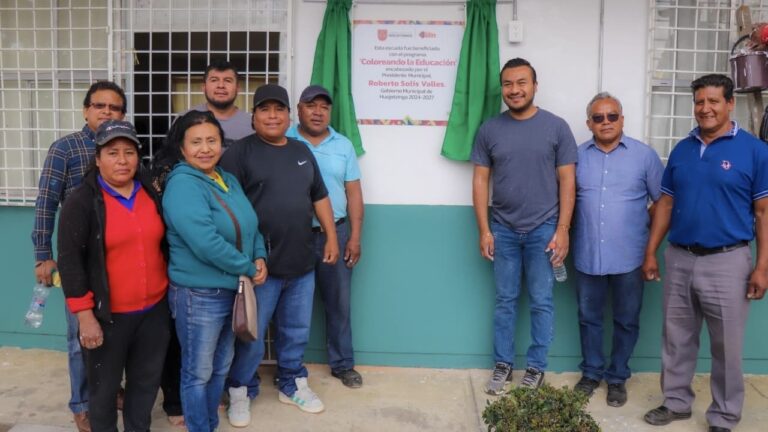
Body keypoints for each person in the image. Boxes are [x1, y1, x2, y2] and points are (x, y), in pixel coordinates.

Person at [642, 74, 768, 432]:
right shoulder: (682, 150)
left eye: (713, 101)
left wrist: (762, 266)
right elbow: (666, 204)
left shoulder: (755, 151)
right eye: (699, 101)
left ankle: (724, 415)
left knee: (726, 345)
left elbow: (763, 213)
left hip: (728, 260)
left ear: (730, 103)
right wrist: (651, 252)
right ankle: (676, 402)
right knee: (676, 337)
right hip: (680, 257)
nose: (705, 108)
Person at [221, 84, 339, 426]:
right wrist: (246, 257)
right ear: (254, 116)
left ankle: (291, 382)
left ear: (289, 116)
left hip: (302, 262)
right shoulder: (238, 153)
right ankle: (240, 388)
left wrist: (331, 237)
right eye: (264, 109)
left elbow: (319, 196)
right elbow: (227, 208)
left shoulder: (301, 151)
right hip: (260, 267)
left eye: (279, 109)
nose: (272, 116)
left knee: (296, 330)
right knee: (252, 335)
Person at [471, 58, 577, 394]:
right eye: (508, 84)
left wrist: (563, 229)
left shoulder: (556, 127)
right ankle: (502, 365)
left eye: (521, 83)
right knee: (505, 301)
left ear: (534, 86)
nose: (514, 90)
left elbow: (568, 181)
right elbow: (480, 180)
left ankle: (535, 367)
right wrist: (484, 229)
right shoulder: (489, 129)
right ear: (502, 88)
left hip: (544, 229)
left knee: (542, 301)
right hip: (502, 229)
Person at [57, 120, 170, 431]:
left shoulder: (149, 192)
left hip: (153, 313)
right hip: (108, 316)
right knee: (104, 392)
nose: (122, 160)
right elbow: (70, 263)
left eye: (129, 152)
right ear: (97, 159)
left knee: (145, 386)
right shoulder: (81, 202)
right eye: (112, 153)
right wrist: (85, 317)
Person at [160, 110, 268, 432]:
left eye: (212, 140)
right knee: (198, 373)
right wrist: (247, 266)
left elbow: (250, 223)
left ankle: (208, 424)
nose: (205, 149)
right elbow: (205, 242)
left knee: (221, 366)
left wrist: (260, 255)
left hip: (231, 288)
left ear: (222, 144)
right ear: (182, 148)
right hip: (199, 295)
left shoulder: (225, 178)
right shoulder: (182, 184)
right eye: (196, 142)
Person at [31, 80, 127, 432]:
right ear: (86, 110)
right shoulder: (66, 148)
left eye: (114, 108)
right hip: (80, 262)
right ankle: (82, 404)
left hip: (117, 260)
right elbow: (46, 202)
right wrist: (43, 254)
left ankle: (111, 390)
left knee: (114, 334)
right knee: (80, 337)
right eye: (100, 105)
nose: (107, 112)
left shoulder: (123, 149)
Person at [572, 92, 664, 406]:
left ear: (622, 119)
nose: (606, 122)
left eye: (612, 116)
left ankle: (617, 377)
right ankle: (591, 373)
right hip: (587, 255)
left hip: (630, 257)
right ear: (589, 123)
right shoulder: (576, 157)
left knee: (626, 320)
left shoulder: (644, 156)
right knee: (589, 318)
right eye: (598, 118)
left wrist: (641, 227)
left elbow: (663, 202)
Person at [286, 85, 365, 388]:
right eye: (311, 106)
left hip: (337, 232)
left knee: (339, 303)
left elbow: (354, 193)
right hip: (293, 235)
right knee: (288, 305)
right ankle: (288, 368)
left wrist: (354, 237)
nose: (318, 112)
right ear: (299, 110)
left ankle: (343, 364)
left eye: (324, 107)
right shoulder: (284, 140)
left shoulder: (343, 145)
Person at [187, 59, 252, 149]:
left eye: (228, 80)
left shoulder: (252, 124)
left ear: (237, 88)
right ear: (204, 87)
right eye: (214, 80)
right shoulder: (185, 119)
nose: (221, 86)